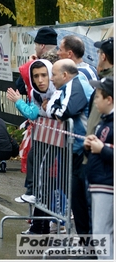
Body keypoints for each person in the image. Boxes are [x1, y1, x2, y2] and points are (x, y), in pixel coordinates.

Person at [7, 59, 58, 234]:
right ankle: (39, 225)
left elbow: (35, 114)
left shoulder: (57, 92)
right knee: (37, 168)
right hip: (44, 141)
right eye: (36, 76)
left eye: (44, 75)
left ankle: (50, 220)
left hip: (60, 147)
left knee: (51, 183)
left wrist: (18, 101)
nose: (40, 80)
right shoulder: (35, 93)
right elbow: (34, 112)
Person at [47, 58, 94, 240]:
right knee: (77, 197)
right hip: (76, 149)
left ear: (65, 75)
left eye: (53, 75)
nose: (51, 79)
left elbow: (64, 111)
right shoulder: (68, 87)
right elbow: (53, 108)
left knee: (83, 199)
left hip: (84, 150)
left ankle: (90, 243)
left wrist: (56, 111)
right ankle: (85, 241)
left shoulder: (76, 84)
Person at [84, 77, 114, 260]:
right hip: (101, 182)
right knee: (102, 235)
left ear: (109, 99)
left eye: (98, 97)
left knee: (102, 236)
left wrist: (101, 149)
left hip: (107, 184)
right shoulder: (105, 121)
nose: (95, 101)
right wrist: (91, 146)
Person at [15, 26, 58, 95]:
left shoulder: (39, 64)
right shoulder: (62, 63)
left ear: (42, 46)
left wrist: (29, 65)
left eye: (36, 45)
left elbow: (20, 88)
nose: (35, 48)